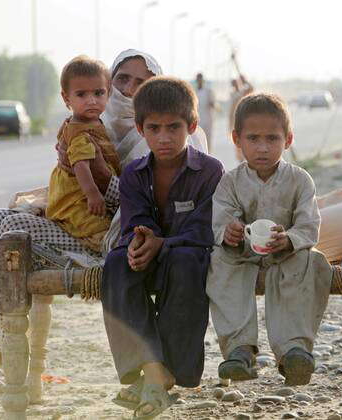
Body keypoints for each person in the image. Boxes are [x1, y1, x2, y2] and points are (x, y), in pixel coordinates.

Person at [0, 49, 196, 394]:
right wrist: (48, 199)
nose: (129, 89)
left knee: (4, 228)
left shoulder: (160, 132)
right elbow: (74, 187)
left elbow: (144, 206)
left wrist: (100, 175)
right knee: (2, 220)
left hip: (118, 243)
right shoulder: (93, 125)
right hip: (82, 228)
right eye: (122, 79)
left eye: (142, 82)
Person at [101, 76, 224, 418]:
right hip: (152, 256)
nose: (164, 137)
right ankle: (153, 367)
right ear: (141, 129)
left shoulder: (210, 171)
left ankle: (165, 373)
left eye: (174, 128)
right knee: (116, 264)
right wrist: (139, 243)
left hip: (189, 256)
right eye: (154, 128)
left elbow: (205, 229)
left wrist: (163, 243)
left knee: (186, 260)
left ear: (192, 126)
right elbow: (134, 220)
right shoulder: (134, 174)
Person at [207, 93, 332, 386]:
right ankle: (239, 350)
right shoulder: (230, 181)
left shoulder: (300, 180)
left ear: (288, 140)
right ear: (237, 139)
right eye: (253, 138)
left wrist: (288, 239)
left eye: (272, 139)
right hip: (242, 255)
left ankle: (294, 351)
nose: (263, 148)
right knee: (218, 261)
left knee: (312, 261)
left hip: (287, 255)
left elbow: (309, 225)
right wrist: (230, 233)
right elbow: (219, 221)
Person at [47, 56, 121, 252]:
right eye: (81, 95)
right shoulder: (81, 133)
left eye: (99, 93)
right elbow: (81, 165)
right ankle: (96, 247)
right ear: (66, 98)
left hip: (82, 192)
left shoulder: (87, 122)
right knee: (98, 228)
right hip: (77, 197)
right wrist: (93, 194)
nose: (91, 101)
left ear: (109, 92)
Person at [228, 73, 253, 162]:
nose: (235, 85)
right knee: (237, 141)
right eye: (233, 83)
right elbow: (231, 110)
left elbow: (251, 88)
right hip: (235, 120)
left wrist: (245, 81)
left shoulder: (243, 92)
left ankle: (246, 158)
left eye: (236, 83)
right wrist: (230, 123)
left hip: (243, 119)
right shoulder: (232, 94)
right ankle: (241, 161)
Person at [194, 72, 216, 151]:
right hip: (198, 120)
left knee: (208, 139)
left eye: (200, 79)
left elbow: (213, 104)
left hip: (208, 119)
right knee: (198, 140)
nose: (199, 81)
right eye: (198, 79)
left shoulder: (208, 91)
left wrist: (212, 104)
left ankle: (208, 156)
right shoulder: (194, 92)